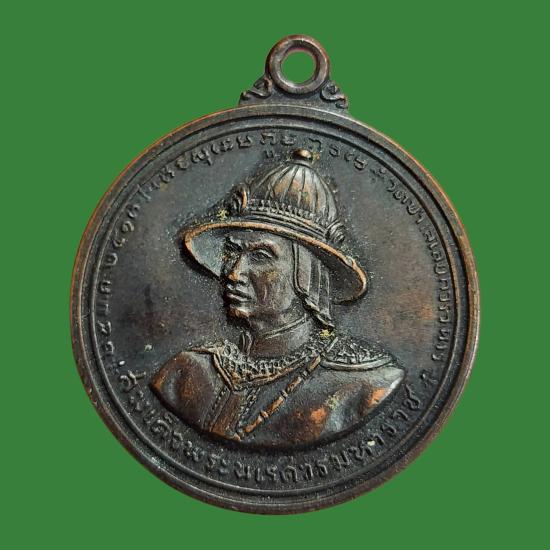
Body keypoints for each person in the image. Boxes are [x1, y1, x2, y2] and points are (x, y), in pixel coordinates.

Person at [151, 149, 403, 448]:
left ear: (306, 273)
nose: (234, 273)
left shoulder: (364, 383)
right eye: (233, 252)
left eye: (260, 256)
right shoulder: (187, 372)